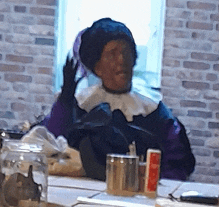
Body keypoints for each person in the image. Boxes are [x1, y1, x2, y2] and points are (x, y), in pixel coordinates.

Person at [41, 18, 195, 181]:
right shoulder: (82, 105)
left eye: (125, 52)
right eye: (112, 54)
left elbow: (178, 162)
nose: (121, 60)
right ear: (98, 67)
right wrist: (64, 102)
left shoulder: (152, 108)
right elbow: (52, 145)